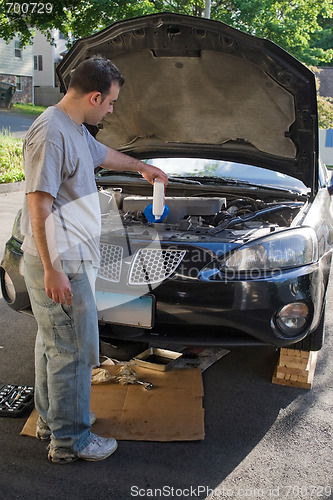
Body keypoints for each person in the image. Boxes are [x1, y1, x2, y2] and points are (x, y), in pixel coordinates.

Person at [21, 56, 168, 464]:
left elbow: (101, 153)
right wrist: (53, 268)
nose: (111, 110)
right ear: (95, 96)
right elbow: (39, 203)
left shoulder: (72, 128)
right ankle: (72, 442)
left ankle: (54, 421)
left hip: (65, 260)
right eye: (111, 103)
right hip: (60, 262)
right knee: (72, 352)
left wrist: (142, 167)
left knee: (54, 345)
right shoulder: (52, 133)